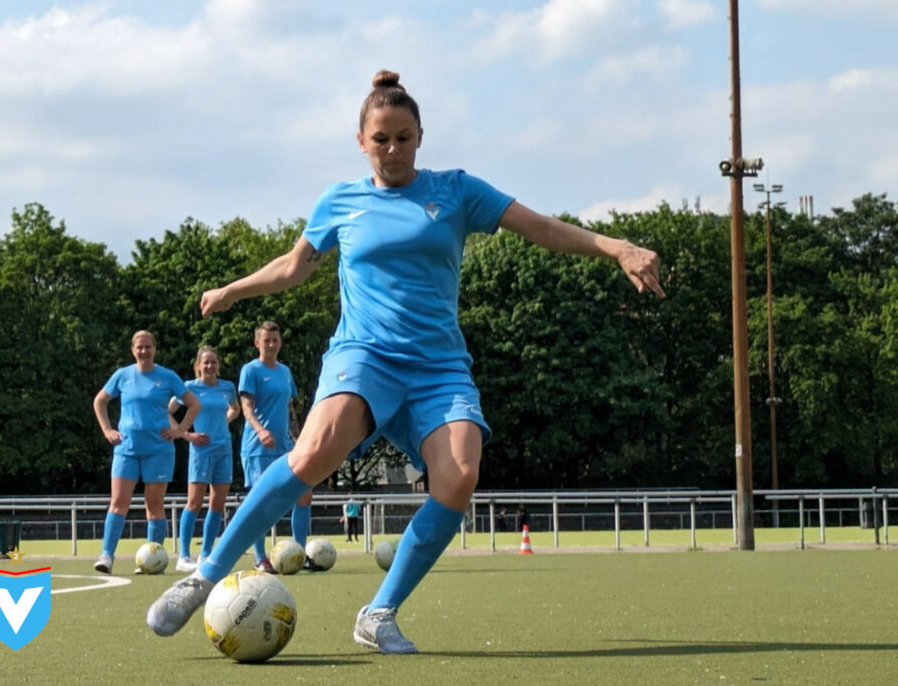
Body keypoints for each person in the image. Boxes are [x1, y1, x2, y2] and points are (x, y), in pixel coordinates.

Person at [147, 69, 663, 652]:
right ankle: (202, 578)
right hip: (363, 356)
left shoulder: (456, 191)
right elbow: (295, 266)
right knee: (313, 451)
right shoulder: (340, 200)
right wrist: (234, 290)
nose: (392, 150)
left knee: (459, 476)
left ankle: (379, 612)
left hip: (439, 368)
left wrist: (618, 247)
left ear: (421, 136)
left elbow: (540, 227)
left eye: (403, 137)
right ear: (361, 141)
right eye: (380, 139)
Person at [93, 330, 200, 574]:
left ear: (155, 348)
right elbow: (99, 401)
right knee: (118, 502)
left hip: (159, 451)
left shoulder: (167, 376)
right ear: (133, 350)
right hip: (127, 450)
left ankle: (153, 559)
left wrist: (181, 430)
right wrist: (107, 429)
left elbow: (194, 404)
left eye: (148, 346)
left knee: (154, 504)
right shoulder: (122, 375)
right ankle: (107, 556)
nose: (144, 351)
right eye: (139, 347)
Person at [237, 321, 305, 573]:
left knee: (303, 492)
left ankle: (300, 551)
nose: (272, 344)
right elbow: (246, 407)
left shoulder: (285, 372)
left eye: (275, 340)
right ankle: (259, 557)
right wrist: (261, 430)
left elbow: (290, 408)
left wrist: (299, 439)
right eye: (267, 340)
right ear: (258, 343)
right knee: (260, 502)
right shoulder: (250, 370)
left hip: (285, 446)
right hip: (258, 448)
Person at [169, 345, 240, 573]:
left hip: (224, 449)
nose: (210, 366)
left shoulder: (228, 387)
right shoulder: (189, 387)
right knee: (194, 502)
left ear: (218, 365)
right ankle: (184, 555)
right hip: (200, 451)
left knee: (217, 503)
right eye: (205, 362)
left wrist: (223, 424)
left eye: (213, 362)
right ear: (198, 366)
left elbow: (234, 409)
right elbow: (165, 411)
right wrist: (186, 434)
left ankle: (206, 553)